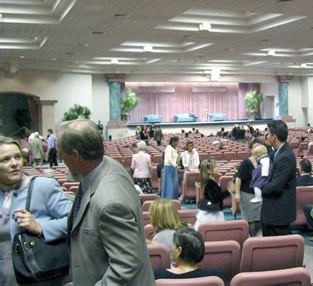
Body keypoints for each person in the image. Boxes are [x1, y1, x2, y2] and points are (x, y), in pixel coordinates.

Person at [57, 119, 154, 285]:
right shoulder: (107, 165)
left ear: (75, 155)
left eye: (60, 153)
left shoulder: (109, 203)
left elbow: (126, 264)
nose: (59, 157)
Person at [0, 136, 72, 285]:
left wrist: (40, 227)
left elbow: (74, 220)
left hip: (38, 278)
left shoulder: (43, 186)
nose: (14, 163)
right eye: (5, 160)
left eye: (17, 157)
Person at [261, 121, 297, 236]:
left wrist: (257, 189)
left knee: (277, 250)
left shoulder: (285, 156)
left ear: (274, 137)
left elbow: (276, 186)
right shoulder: (277, 152)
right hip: (272, 211)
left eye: (268, 133)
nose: (266, 136)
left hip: (278, 213)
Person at [154, 227, 225, 282]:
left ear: (179, 250)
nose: (171, 249)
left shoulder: (159, 276)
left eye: (174, 245)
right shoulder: (214, 275)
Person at [194, 158, 233, 231]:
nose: (217, 168)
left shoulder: (211, 181)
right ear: (209, 171)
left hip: (213, 212)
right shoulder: (210, 183)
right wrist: (228, 191)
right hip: (211, 215)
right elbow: (215, 198)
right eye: (215, 167)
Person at [234, 144, 262, 237]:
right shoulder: (246, 162)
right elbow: (238, 178)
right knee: (250, 220)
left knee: (259, 219)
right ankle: (252, 239)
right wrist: (237, 193)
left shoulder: (263, 162)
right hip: (247, 194)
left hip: (260, 195)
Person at [149, 199, 186, 266]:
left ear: (156, 218)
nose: (149, 217)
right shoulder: (186, 231)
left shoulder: (159, 238)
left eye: (151, 214)